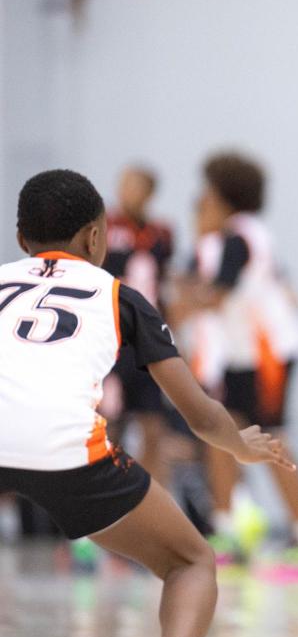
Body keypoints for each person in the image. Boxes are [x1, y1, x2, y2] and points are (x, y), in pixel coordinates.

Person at [0, 169, 291, 637]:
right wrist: (240, 446)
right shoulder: (119, 295)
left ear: (22, 238)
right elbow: (200, 414)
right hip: (66, 453)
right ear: (95, 237)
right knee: (191, 561)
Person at [181, 152, 298, 573]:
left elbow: (216, 295)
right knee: (222, 435)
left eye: (209, 189)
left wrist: (170, 303)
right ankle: (225, 530)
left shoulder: (239, 237)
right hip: (240, 353)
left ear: (225, 194)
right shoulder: (236, 237)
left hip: (268, 355)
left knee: (272, 436)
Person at [102, 164, 176, 484]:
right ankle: (106, 494)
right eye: (124, 184)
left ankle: (152, 495)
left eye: (134, 185)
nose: (126, 192)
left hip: (146, 338)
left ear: (148, 193)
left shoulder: (162, 233)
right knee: (109, 420)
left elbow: (164, 285)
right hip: (113, 338)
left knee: (153, 423)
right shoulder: (105, 228)